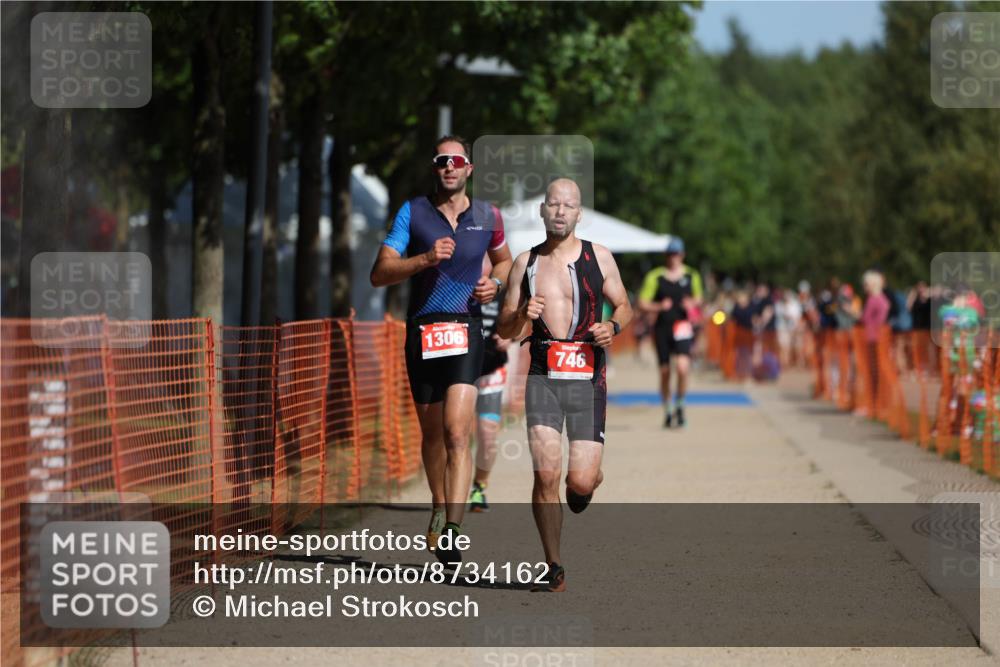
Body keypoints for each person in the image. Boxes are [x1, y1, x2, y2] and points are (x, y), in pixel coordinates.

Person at [370, 135, 513, 566]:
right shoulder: (413, 212)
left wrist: (498, 283)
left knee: (456, 432)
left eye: (457, 160)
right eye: (442, 161)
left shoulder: (488, 215)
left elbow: (505, 261)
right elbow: (379, 274)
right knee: (431, 436)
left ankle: (453, 530)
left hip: (466, 331)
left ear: (469, 168)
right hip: (423, 331)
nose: (450, 167)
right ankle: (437, 504)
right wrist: (424, 259)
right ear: (436, 168)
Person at [497, 178, 632, 592]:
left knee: (578, 483)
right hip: (542, 376)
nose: (560, 211)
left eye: (568, 205)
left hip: (588, 377)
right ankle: (553, 564)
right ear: (542, 211)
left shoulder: (600, 257)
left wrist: (611, 325)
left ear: (578, 213)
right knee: (545, 475)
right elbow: (504, 327)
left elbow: (626, 306)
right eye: (553, 204)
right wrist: (522, 311)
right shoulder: (525, 262)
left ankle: (588, 480)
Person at [637, 238, 703, 428]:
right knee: (665, 372)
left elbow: (699, 297)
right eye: (670, 254)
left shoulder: (692, 275)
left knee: (683, 367)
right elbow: (642, 303)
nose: (674, 258)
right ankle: (667, 409)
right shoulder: (655, 277)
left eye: (677, 254)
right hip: (662, 328)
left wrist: (693, 303)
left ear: (682, 255)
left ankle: (680, 404)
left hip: (682, 327)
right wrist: (659, 306)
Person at [468, 257, 513, 513]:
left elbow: (524, 319)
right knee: (457, 433)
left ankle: (479, 486)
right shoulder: (457, 283)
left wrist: (513, 334)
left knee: (486, 433)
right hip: (459, 371)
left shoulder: (506, 288)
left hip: (492, 371)